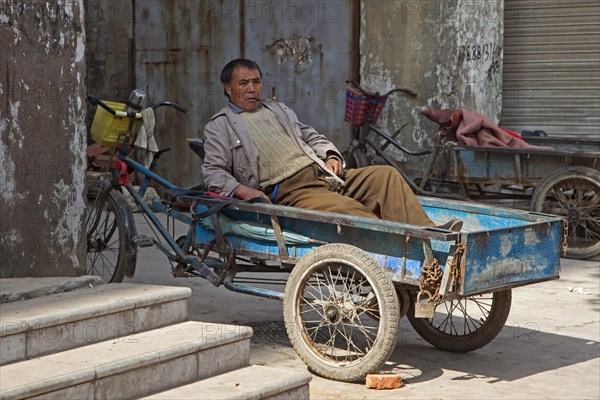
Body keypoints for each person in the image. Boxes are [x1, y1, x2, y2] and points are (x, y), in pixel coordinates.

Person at [201, 58, 461, 230]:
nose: (252, 89)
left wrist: (332, 156)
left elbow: (312, 137)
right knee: (352, 212)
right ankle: (400, 266)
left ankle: (430, 236)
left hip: (324, 176)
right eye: (243, 83)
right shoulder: (220, 125)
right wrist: (243, 191)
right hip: (292, 192)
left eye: (256, 82)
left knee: (386, 175)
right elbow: (212, 173)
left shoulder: (277, 109)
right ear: (227, 88)